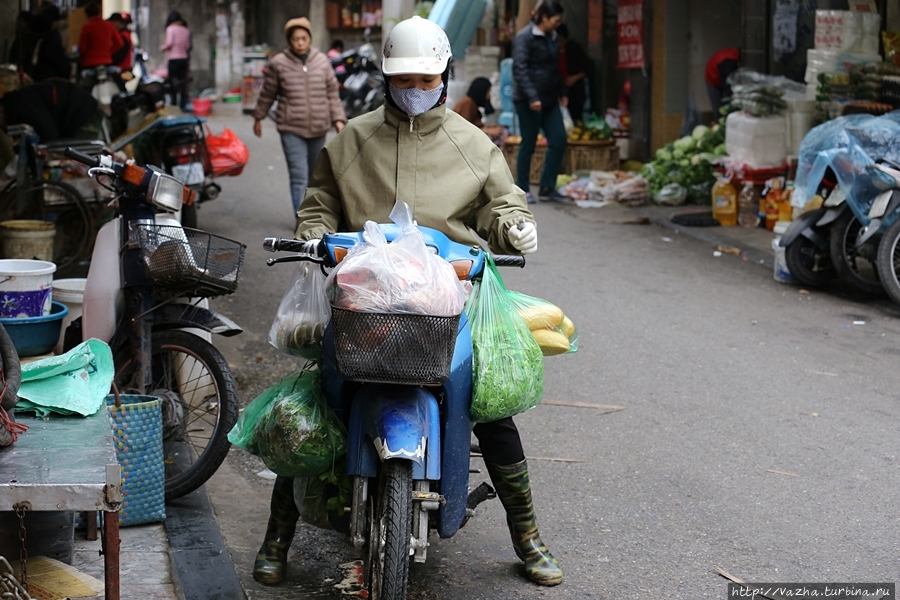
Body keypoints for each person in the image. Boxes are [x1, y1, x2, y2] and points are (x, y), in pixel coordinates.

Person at [252, 16, 561, 590]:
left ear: (444, 75)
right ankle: (278, 535)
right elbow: (318, 202)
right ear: (387, 79)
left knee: (489, 411)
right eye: (403, 79)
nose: (414, 89)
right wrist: (316, 235)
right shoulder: (353, 140)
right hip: (365, 300)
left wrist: (514, 225)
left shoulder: (473, 144)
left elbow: (500, 204)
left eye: (425, 78)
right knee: (317, 406)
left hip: (446, 302)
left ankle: (528, 535)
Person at [251, 18, 347, 218]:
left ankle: (312, 214)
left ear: (310, 38)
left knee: (315, 176)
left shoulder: (321, 61)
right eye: (296, 39)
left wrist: (339, 119)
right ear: (289, 41)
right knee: (298, 176)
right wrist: (258, 117)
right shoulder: (279, 63)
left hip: (318, 127)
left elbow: (332, 93)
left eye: (304, 38)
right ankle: (302, 217)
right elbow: (267, 93)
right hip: (291, 128)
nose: (300, 43)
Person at [512, 0, 570, 203]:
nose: (558, 24)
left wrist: (562, 90)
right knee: (528, 143)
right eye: (556, 20)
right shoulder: (524, 38)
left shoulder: (552, 37)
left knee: (559, 139)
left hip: (549, 99)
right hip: (529, 101)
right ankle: (523, 189)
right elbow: (520, 69)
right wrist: (532, 96)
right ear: (544, 17)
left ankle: (547, 186)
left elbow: (554, 68)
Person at [453, 76, 507, 146]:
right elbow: (464, 129)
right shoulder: (468, 103)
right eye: (488, 92)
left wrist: (488, 128)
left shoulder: (472, 103)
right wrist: (486, 131)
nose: (489, 95)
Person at [556, 24, 590, 123]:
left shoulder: (575, 49)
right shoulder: (552, 51)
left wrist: (575, 78)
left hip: (575, 90)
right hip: (558, 88)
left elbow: (588, 67)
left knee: (576, 118)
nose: (560, 43)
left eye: (562, 41)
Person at [77, 2, 123, 70]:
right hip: (106, 62)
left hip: (90, 62)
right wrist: (108, 52)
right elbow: (119, 43)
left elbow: (82, 48)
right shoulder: (109, 25)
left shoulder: (87, 27)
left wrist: (85, 57)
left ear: (87, 15)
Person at [161, 11, 192, 110]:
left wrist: (162, 47)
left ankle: (174, 105)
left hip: (174, 59)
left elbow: (169, 43)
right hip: (183, 59)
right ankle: (183, 105)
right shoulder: (186, 30)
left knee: (172, 84)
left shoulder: (170, 29)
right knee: (182, 83)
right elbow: (187, 46)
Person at [705, 47, 740, 117]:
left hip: (720, 74)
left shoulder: (735, 54)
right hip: (713, 79)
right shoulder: (727, 63)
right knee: (718, 109)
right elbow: (728, 85)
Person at [107, 13, 133, 92]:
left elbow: (120, 54)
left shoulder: (123, 36)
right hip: (124, 69)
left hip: (121, 70)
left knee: (119, 89)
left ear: (118, 22)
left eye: (112, 22)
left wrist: (111, 62)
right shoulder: (126, 34)